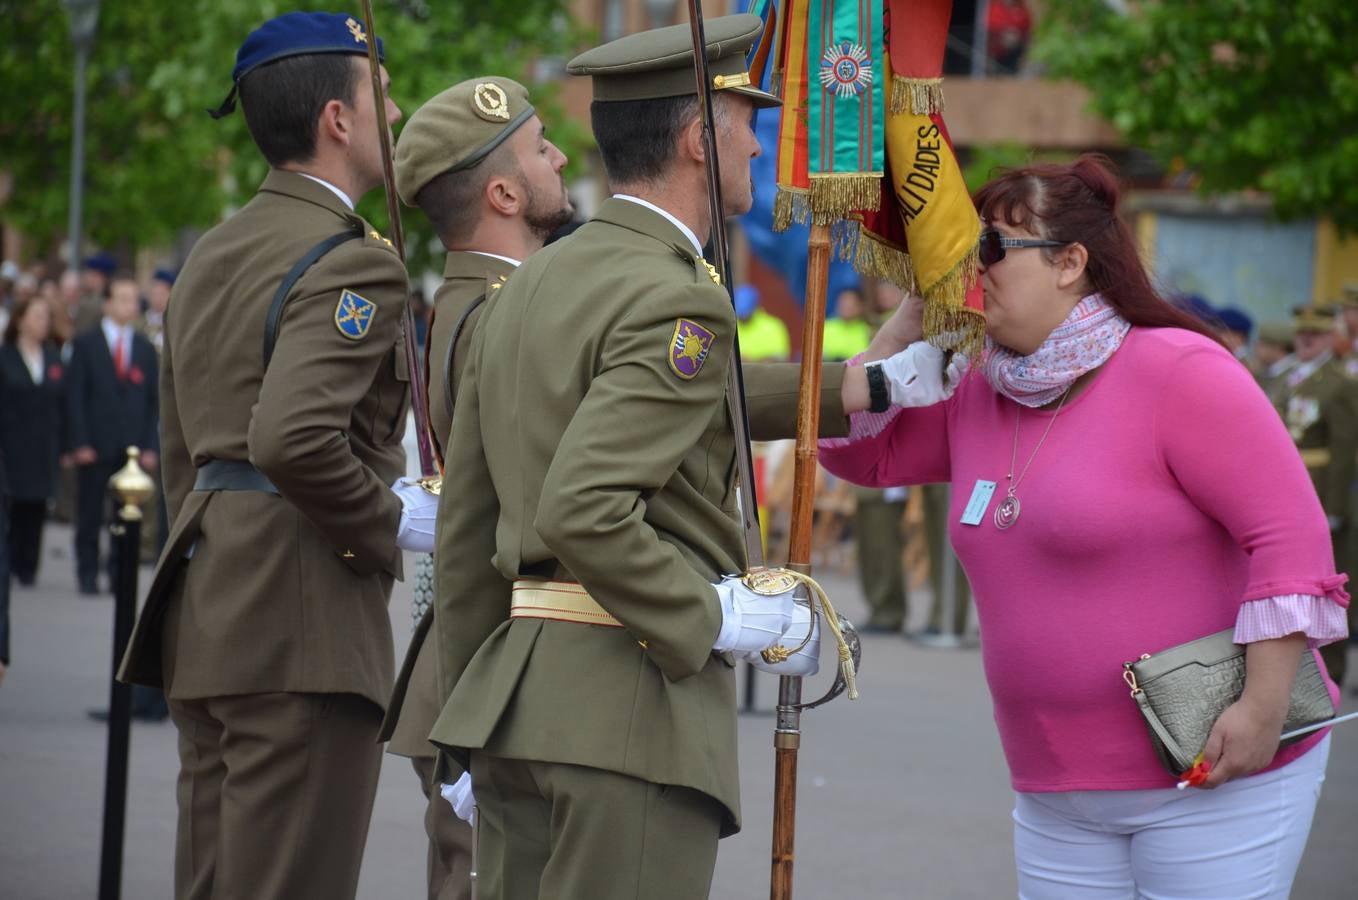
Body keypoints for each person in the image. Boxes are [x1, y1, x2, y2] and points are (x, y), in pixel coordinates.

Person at [425, 15, 921, 898]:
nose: (756, 148)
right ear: (699, 139)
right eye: (744, 126)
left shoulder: (530, 282)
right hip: (628, 714)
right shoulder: (675, 295)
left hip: (513, 708)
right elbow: (582, 505)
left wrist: (863, 385)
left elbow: (469, 526)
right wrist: (720, 615)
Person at [819, 156, 1348, 898]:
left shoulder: (1180, 367)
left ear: (1071, 263)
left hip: (1208, 774)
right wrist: (915, 307)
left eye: (991, 250)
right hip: (1054, 789)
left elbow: (1291, 538)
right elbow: (857, 449)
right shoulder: (978, 383)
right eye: (964, 253)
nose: (973, 271)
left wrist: (1262, 709)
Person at [115, 13, 437, 900]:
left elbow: (187, 453)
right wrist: (393, 520)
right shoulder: (353, 263)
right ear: (337, 119)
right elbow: (289, 437)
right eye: (381, 92)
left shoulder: (212, 252)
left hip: (213, 607)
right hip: (304, 626)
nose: (398, 108)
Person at [384, 74, 574, 900]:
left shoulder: (483, 301)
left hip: (475, 667)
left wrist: (848, 388)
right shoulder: (500, 313)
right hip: (490, 671)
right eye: (540, 149)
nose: (560, 156)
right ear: (503, 192)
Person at [1274, 305, 1358, 688]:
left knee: (1329, 583)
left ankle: (1333, 673)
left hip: (1321, 489)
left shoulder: (1340, 383)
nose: (1306, 338)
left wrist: (1337, 507)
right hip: (1285, 486)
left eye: (1315, 333)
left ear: (1329, 338)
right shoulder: (1286, 375)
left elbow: (1344, 450)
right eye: (1302, 332)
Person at [64, 275, 159, 596]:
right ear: (107, 303)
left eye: (133, 299)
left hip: (131, 449)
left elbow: (152, 402)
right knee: (90, 513)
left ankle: (120, 573)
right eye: (121, 298)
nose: (128, 305)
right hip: (95, 443)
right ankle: (87, 571)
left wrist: (150, 445)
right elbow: (75, 396)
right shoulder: (87, 344)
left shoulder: (145, 349)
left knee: (126, 518)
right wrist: (79, 442)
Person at [0, 298, 64, 586]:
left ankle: (29, 564)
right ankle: (10, 560)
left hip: (43, 443)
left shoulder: (52, 356)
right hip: (13, 442)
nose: (43, 322)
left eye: (45, 317)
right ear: (21, 319)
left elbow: (62, 401)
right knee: (14, 502)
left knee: (38, 504)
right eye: (37, 316)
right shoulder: (6, 356)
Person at [734, 283, 790, 361]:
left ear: (756, 308)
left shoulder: (773, 327)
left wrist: (752, 362)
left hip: (766, 372)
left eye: (747, 314)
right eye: (740, 314)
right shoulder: (731, 326)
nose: (743, 317)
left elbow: (780, 358)